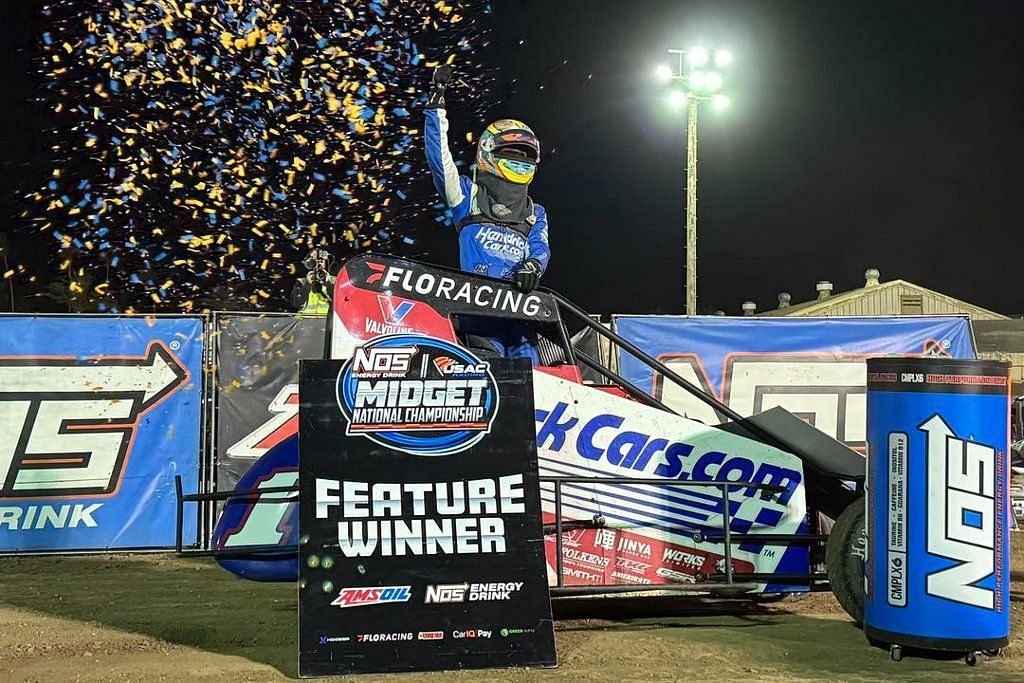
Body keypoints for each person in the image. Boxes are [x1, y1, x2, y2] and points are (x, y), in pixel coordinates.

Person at [423, 65, 550, 360]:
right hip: (478, 314)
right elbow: (439, 160)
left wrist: (532, 267)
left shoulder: (534, 211)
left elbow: (540, 248)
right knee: (493, 386)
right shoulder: (468, 196)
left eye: (524, 155)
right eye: (510, 153)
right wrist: (436, 103)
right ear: (487, 153)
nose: (518, 160)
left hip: (521, 314)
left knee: (534, 389)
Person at [290, 248, 334, 316]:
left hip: (326, 322)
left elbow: (341, 303)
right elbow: (296, 304)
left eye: (321, 261)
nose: (317, 264)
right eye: (312, 261)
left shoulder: (335, 281)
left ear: (326, 262)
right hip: (305, 322)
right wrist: (307, 285)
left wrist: (328, 284)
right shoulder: (301, 282)